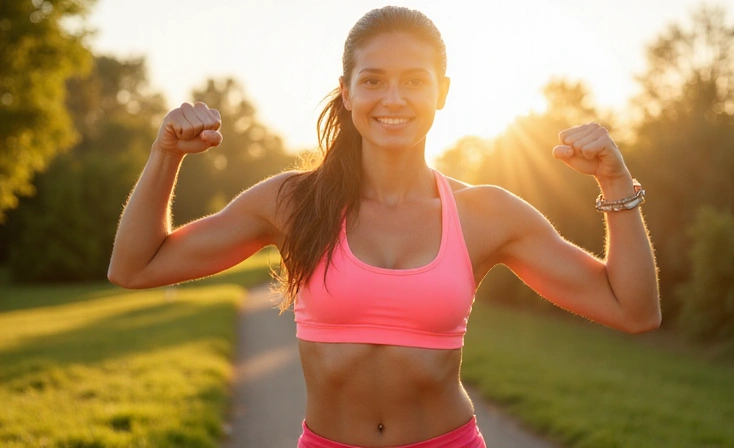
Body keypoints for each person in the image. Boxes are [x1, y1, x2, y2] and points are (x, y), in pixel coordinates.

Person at [108, 6, 660, 448]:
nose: (393, 99)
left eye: (413, 81)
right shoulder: (292, 202)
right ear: (347, 92)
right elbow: (136, 266)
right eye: (373, 80)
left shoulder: (487, 213)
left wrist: (615, 183)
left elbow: (632, 310)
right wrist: (165, 156)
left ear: (441, 92)